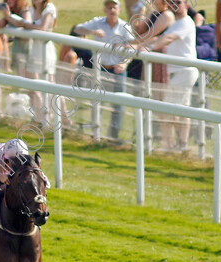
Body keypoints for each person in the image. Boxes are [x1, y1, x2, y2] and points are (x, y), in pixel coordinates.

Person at [143, 0, 198, 151]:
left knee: (165, 110)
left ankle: (169, 145)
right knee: (182, 111)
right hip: (179, 72)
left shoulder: (186, 22)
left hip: (184, 72)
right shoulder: (176, 23)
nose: (176, 5)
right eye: (172, 2)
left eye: (179, 2)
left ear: (186, 5)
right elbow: (160, 37)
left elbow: (167, 39)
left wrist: (148, 48)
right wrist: (138, 44)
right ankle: (181, 145)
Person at [74, 0, 132, 139]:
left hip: (118, 70)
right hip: (100, 70)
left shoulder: (125, 27)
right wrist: (92, 31)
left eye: (114, 7)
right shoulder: (98, 22)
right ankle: (96, 134)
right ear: (105, 9)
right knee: (97, 101)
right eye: (109, 7)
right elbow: (77, 29)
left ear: (119, 9)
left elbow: (132, 48)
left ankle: (113, 137)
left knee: (118, 105)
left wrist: (124, 64)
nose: (112, 10)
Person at [2, 0, 57, 116]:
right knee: (33, 86)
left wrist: (27, 25)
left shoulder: (49, 8)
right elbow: (21, 23)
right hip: (34, 51)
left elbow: (42, 27)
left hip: (45, 51)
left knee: (51, 86)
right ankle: (41, 117)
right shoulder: (32, 9)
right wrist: (8, 16)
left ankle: (62, 119)